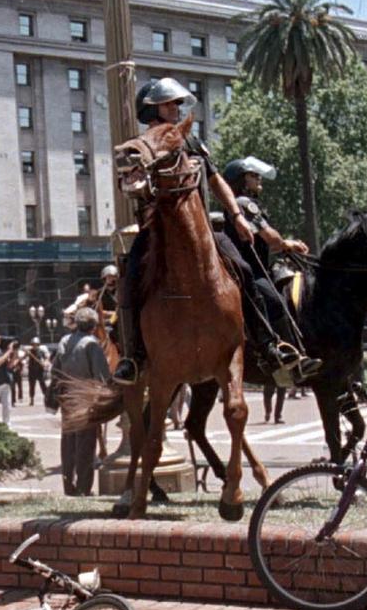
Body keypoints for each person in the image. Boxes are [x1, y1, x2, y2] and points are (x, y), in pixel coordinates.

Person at [113, 79, 305, 386]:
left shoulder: (192, 142)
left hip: (200, 229)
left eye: (177, 104)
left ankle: (269, 346)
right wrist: (136, 183)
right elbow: (128, 185)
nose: (176, 109)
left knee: (242, 269)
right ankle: (133, 356)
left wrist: (238, 215)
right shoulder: (142, 145)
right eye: (169, 104)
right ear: (151, 109)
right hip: (157, 231)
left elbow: (217, 182)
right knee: (131, 275)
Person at [220, 156, 322, 380]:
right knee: (274, 300)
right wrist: (286, 243)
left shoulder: (239, 204)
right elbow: (271, 238)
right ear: (240, 181)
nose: (258, 179)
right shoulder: (244, 203)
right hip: (249, 270)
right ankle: (287, 358)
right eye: (253, 176)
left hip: (254, 266)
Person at [52, 308, 110, 496]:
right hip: (85, 399)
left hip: (67, 399)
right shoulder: (91, 344)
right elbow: (102, 377)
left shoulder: (64, 341)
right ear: (93, 326)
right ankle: (84, 488)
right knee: (85, 445)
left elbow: (55, 372)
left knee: (68, 444)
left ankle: (69, 487)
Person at [25, 337, 50, 406]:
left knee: (43, 385)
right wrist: (26, 353)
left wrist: (45, 363)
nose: (34, 346)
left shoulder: (41, 351)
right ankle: (32, 399)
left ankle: (47, 398)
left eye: (36, 344)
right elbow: (23, 357)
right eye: (33, 344)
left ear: (38, 344)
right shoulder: (29, 351)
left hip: (40, 371)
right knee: (32, 386)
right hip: (31, 371)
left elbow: (47, 358)